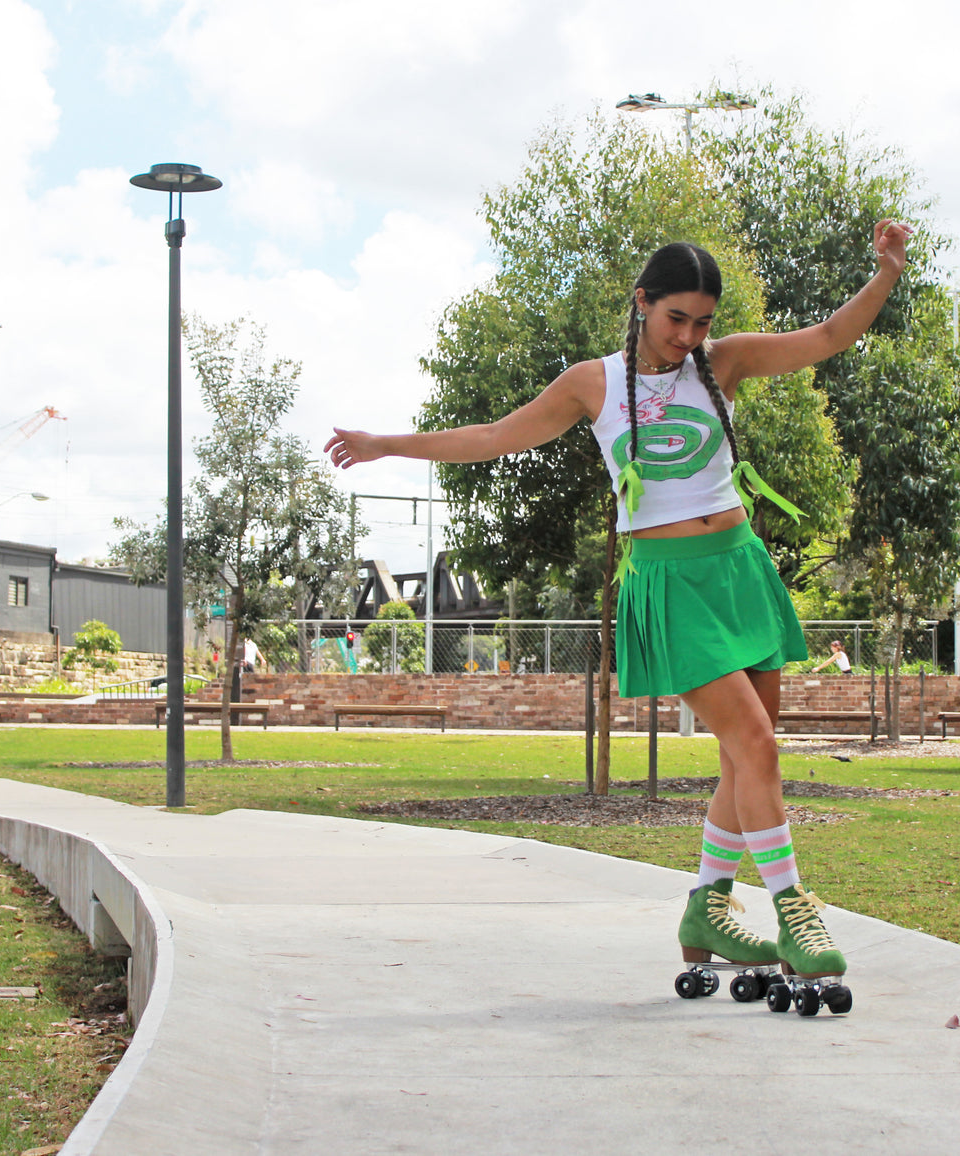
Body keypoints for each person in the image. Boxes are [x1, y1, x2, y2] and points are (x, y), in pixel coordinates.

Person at [325, 221, 913, 1001]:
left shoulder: (721, 363)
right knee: (758, 746)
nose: (689, 336)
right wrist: (385, 444)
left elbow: (829, 335)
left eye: (702, 321)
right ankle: (793, 908)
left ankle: (707, 908)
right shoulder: (591, 383)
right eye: (676, 319)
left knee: (745, 756)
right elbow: (496, 436)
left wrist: (885, 273)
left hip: (739, 570)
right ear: (642, 303)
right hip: (668, 586)